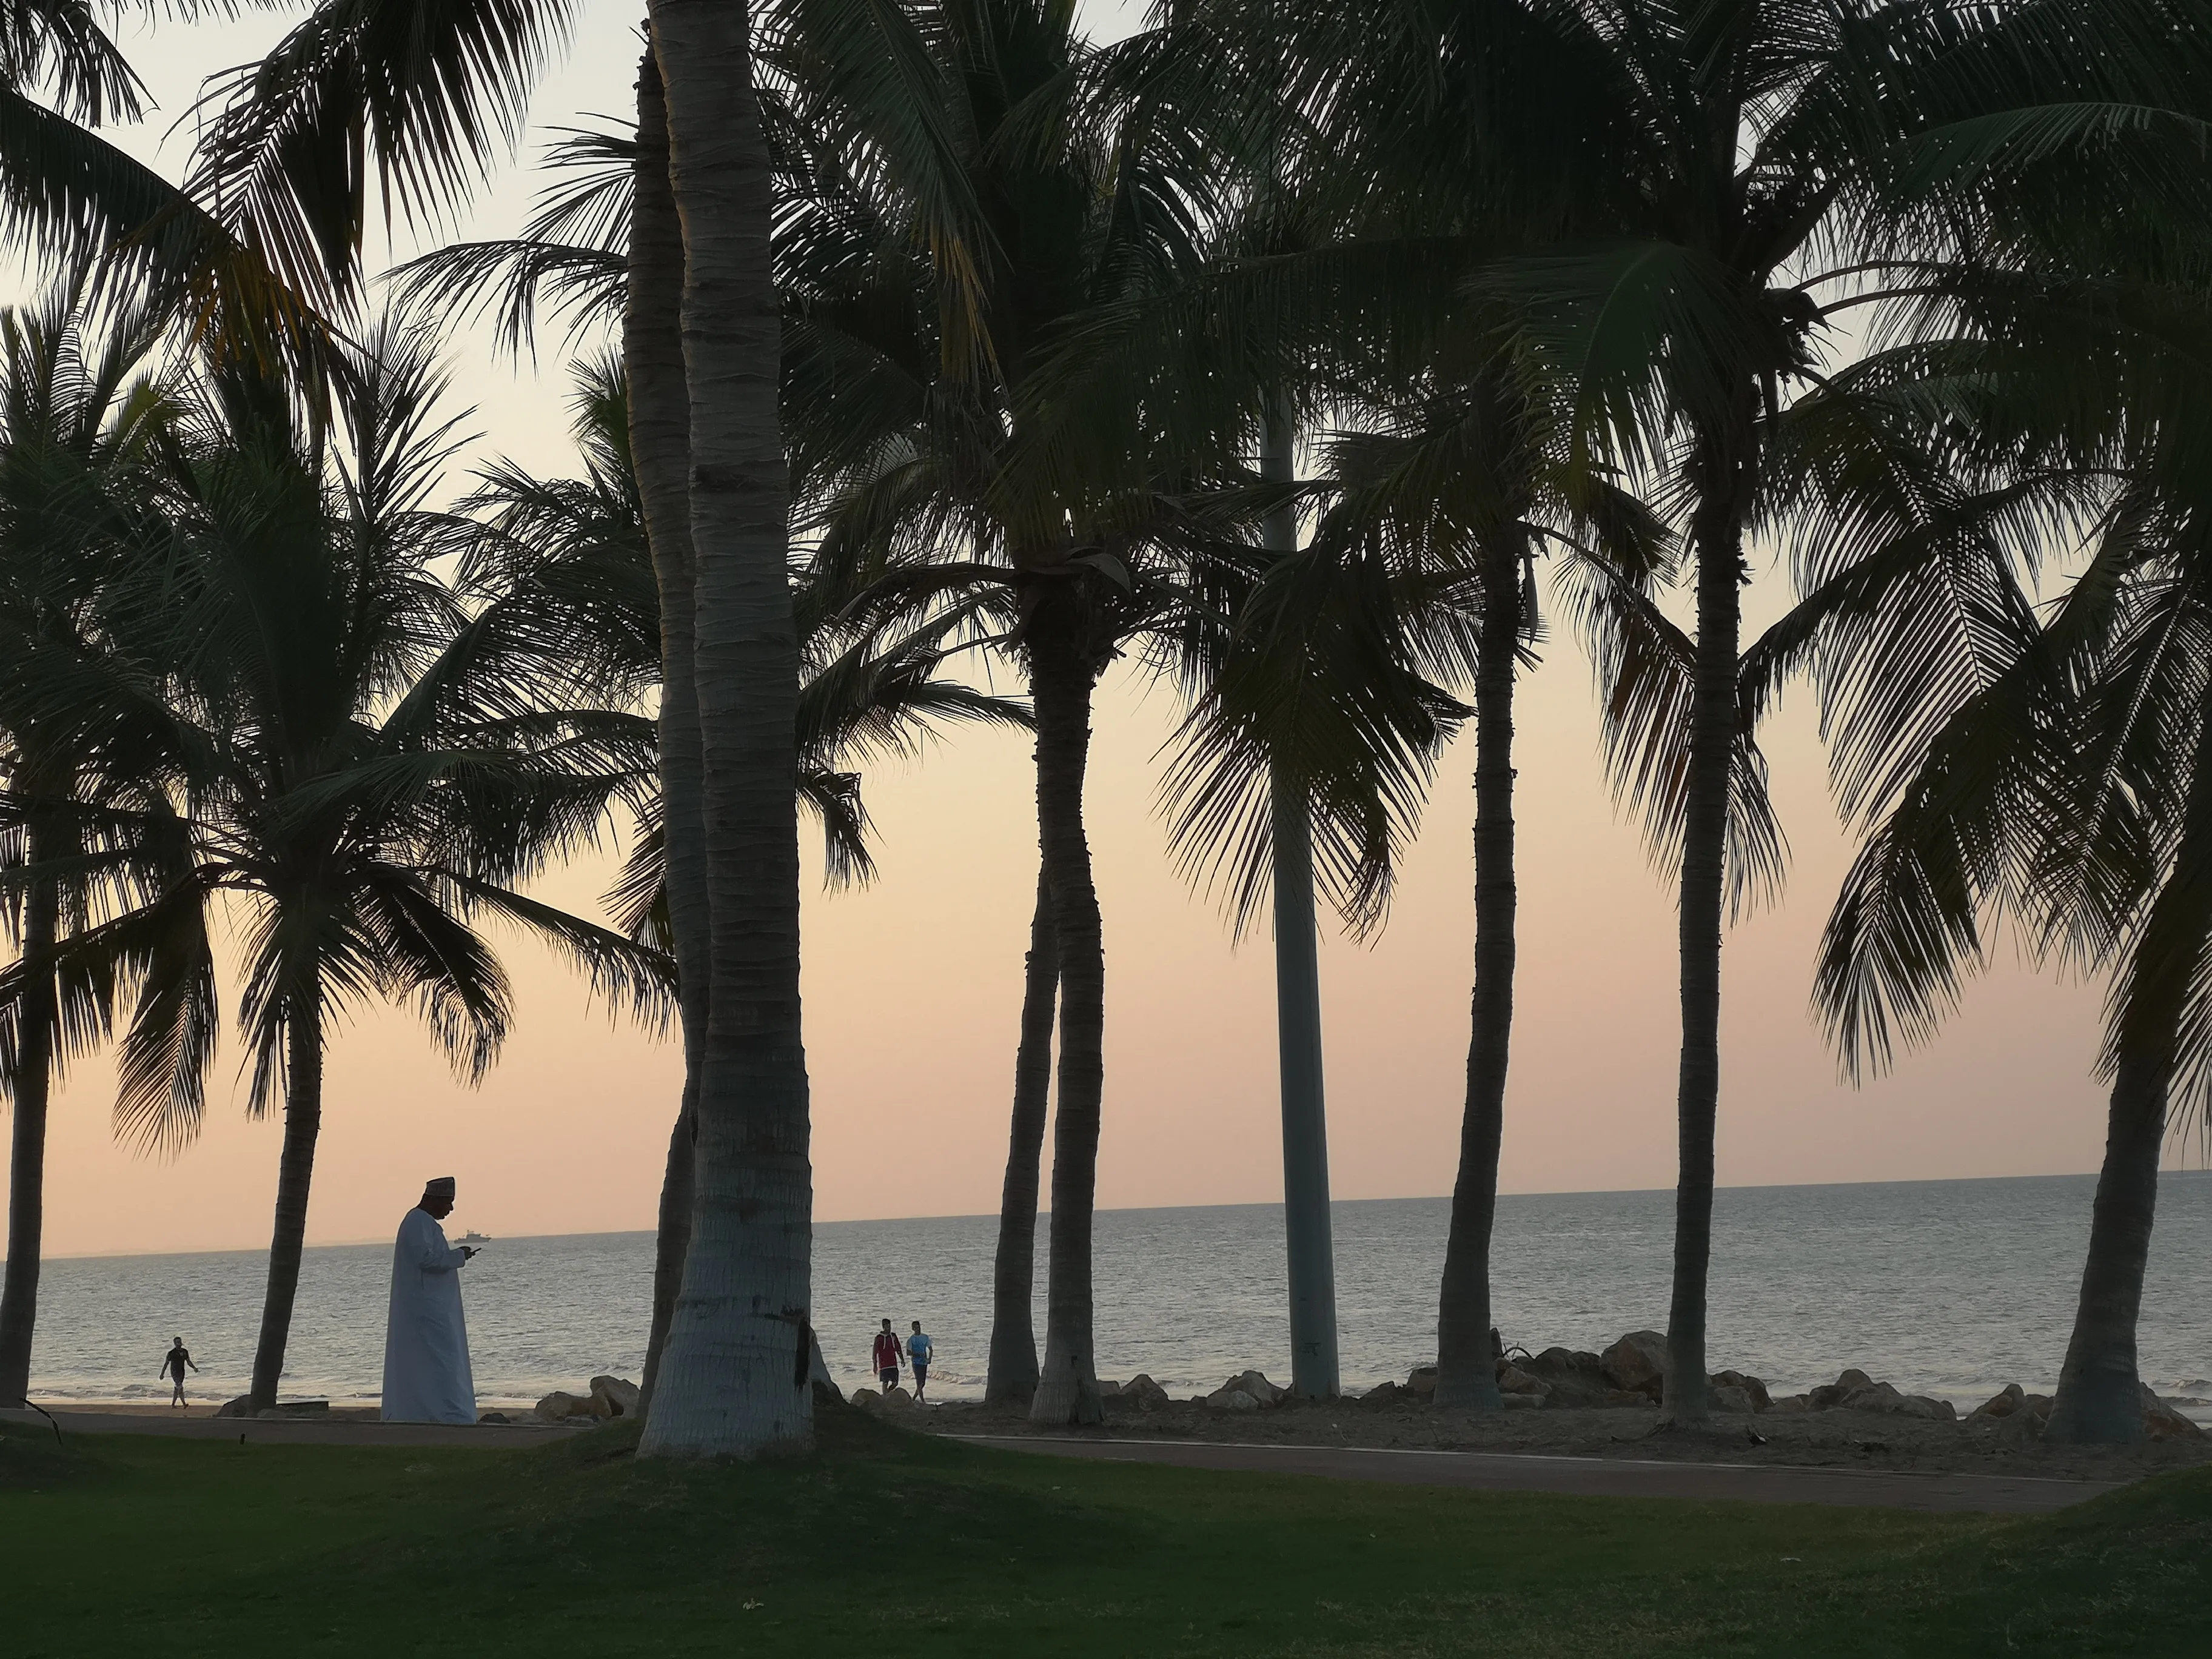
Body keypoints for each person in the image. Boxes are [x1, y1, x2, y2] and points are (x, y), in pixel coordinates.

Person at [381, 1176, 480, 1424]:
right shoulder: (417, 1222)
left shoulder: (422, 1222)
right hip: (427, 1310)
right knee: (438, 1360)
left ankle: (435, 1411)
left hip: (431, 1307)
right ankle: (439, 1412)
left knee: (437, 1360)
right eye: (448, 1203)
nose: (451, 1209)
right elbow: (426, 1260)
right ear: (434, 1200)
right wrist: (458, 1256)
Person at [159, 1337, 199, 1410]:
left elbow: (188, 1362)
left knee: (177, 1388)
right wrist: (162, 1374)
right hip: (174, 1372)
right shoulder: (171, 1353)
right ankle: (184, 1404)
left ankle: (173, 1405)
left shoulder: (185, 1352)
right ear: (175, 1343)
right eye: (177, 1342)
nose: (179, 1343)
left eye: (180, 1341)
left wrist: (194, 1368)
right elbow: (166, 1364)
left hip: (182, 1372)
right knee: (180, 1387)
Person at [871, 1318, 903, 1393]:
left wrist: (902, 1359)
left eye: (889, 1326)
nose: (889, 1328)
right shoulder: (879, 1338)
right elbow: (875, 1352)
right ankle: (885, 1396)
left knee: (895, 1383)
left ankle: (888, 1393)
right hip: (883, 1365)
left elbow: (898, 1347)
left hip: (893, 1363)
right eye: (887, 1326)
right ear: (883, 1326)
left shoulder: (893, 1336)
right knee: (885, 1382)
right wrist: (875, 1365)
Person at [906, 1320, 933, 1403]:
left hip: (924, 1362)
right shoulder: (911, 1339)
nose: (918, 1329)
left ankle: (914, 1398)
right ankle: (922, 1401)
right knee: (919, 1382)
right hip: (916, 1363)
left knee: (923, 1383)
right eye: (916, 1328)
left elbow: (931, 1349)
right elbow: (908, 1352)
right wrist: (917, 1354)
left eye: (919, 1327)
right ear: (913, 1329)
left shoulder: (925, 1337)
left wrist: (929, 1359)